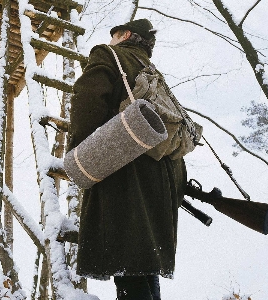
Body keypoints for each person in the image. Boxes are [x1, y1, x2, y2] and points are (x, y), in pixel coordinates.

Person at [68, 19, 187, 300]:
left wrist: (78, 152)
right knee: (144, 267)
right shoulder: (154, 73)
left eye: (114, 35)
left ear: (126, 36)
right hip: (162, 180)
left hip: (124, 173)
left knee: (127, 264)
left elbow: (87, 101)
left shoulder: (109, 55)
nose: (110, 41)